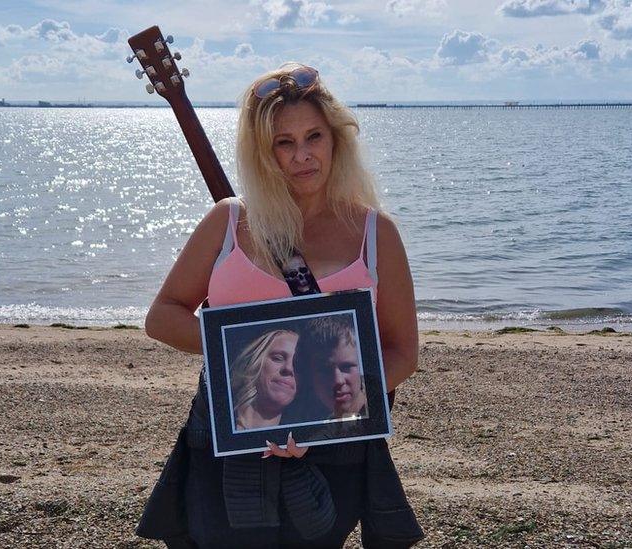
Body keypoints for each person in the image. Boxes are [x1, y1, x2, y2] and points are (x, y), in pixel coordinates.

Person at [138, 62, 423, 548]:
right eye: (283, 143)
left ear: (336, 139)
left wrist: (326, 418)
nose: (302, 156)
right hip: (227, 438)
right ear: (263, 154)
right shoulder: (229, 222)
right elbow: (162, 316)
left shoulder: (376, 233)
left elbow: (401, 352)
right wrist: (242, 351)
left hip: (331, 448)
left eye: (314, 137)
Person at [299, 315, 368, 420]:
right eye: (325, 370)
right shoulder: (313, 431)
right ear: (309, 376)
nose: (338, 380)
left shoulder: (379, 416)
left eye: (346, 367)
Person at [230, 329, 299, 430]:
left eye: (297, 364)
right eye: (278, 358)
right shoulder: (214, 419)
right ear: (255, 362)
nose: (289, 368)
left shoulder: (312, 438)